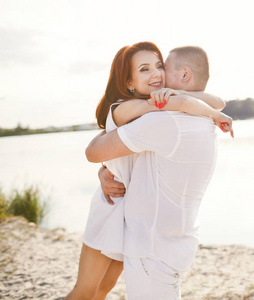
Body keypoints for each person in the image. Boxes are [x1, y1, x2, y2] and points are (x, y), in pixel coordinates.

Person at [66, 42, 232, 299]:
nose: (156, 74)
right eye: (144, 69)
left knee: (103, 289)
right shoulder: (127, 108)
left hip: (129, 215)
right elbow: (96, 151)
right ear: (130, 83)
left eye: (158, 66)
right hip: (111, 207)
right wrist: (194, 107)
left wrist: (194, 104)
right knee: (86, 292)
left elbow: (216, 101)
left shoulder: (158, 109)